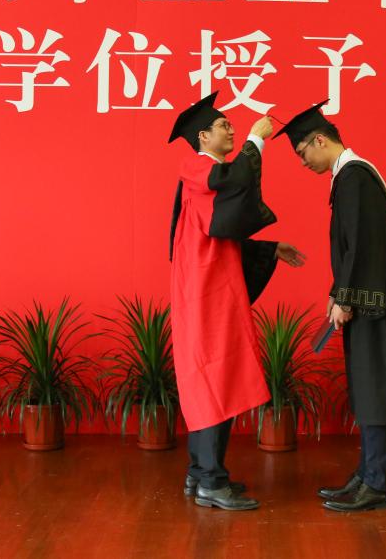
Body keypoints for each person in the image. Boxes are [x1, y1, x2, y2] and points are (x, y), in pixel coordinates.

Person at [274, 100, 386, 512]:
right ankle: (366, 474)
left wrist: (347, 298)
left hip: (374, 302)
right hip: (370, 298)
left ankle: (377, 483)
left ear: (320, 140)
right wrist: (336, 291)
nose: (302, 162)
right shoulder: (349, 176)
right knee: (367, 385)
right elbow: (351, 249)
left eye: (302, 152)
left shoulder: (355, 177)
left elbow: (363, 246)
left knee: (376, 387)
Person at [168, 92, 305, 511]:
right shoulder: (199, 170)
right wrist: (256, 140)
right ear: (203, 136)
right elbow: (233, 185)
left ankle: (201, 474)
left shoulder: (202, 179)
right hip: (206, 296)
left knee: (210, 380)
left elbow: (222, 228)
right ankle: (210, 480)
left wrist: (269, 249)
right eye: (223, 125)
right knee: (213, 381)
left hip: (208, 289)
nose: (231, 129)